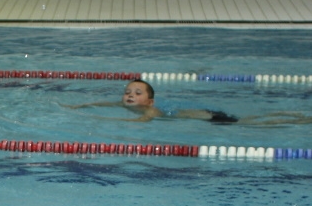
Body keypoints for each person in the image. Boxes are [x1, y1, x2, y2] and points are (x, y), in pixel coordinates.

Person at [67, 79, 312, 124]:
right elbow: (103, 103)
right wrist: (79, 107)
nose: (130, 95)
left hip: (209, 118)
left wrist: (102, 121)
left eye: (137, 93)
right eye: (128, 91)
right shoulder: (123, 104)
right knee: (249, 120)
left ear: (150, 101)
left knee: (249, 123)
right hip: (203, 113)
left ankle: (301, 120)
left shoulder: (151, 112)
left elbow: (142, 122)